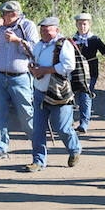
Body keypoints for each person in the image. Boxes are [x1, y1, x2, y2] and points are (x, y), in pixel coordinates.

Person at [0, 0, 40, 160]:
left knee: (26, 114)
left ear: (13, 14)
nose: (1, 17)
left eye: (4, 14)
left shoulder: (27, 26)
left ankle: (38, 146)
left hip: (20, 78)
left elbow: (35, 50)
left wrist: (18, 41)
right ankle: (1, 148)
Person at [26, 17, 82, 171]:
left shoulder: (64, 44)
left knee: (62, 128)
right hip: (39, 92)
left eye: (48, 29)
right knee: (37, 129)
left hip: (59, 94)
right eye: (42, 29)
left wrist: (44, 70)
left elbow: (68, 66)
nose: (44, 32)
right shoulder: (38, 45)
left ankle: (74, 149)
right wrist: (32, 68)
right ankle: (38, 161)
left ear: (56, 30)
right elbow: (34, 62)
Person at [72, 13, 105, 133]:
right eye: (80, 24)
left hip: (91, 73)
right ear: (76, 25)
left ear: (89, 25)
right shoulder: (72, 40)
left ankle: (84, 123)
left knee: (85, 96)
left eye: (84, 24)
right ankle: (68, 121)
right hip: (75, 74)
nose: (82, 26)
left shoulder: (95, 39)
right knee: (72, 97)